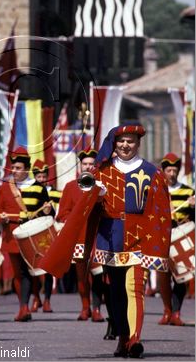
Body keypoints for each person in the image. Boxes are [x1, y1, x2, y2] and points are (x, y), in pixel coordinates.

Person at [41, 124, 171, 359]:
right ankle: (123, 336)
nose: (125, 145)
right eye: (121, 141)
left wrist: (158, 248)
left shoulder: (152, 173)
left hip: (139, 239)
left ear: (138, 143)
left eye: (130, 141)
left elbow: (160, 211)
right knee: (116, 292)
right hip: (109, 238)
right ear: (115, 143)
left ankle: (134, 340)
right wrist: (94, 196)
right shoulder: (101, 172)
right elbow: (86, 206)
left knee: (135, 289)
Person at [0, 147, 53, 321]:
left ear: (27, 169)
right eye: (13, 168)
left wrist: (48, 210)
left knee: (29, 271)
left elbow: (48, 213)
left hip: (31, 237)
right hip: (11, 236)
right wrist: (2, 218)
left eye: (19, 168)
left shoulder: (38, 188)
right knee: (18, 272)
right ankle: (23, 307)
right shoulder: (5, 187)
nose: (14, 171)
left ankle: (26, 307)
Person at [56, 150, 105, 323]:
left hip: (98, 236)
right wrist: (75, 218)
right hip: (79, 238)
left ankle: (97, 308)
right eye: (85, 164)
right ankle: (85, 307)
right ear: (80, 166)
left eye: (91, 164)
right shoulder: (70, 186)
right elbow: (62, 213)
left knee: (98, 274)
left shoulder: (102, 186)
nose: (88, 166)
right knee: (81, 275)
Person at [157, 152, 195, 326]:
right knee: (163, 275)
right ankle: (167, 310)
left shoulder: (188, 192)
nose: (172, 173)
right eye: (169, 170)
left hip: (180, 237)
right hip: (161, 237)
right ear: (163, 171)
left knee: (181, 274)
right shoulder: (156, 190)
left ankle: (177, 313)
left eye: (175, 170)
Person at [30, 159, 61, 313]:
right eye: (39, 176)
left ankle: (47, 300)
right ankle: (36, 298)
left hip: (49, 232)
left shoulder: (54, 192)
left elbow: (58, 211)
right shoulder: (30, 190)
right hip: (34, 231)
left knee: (47, 268)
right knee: (34, 268)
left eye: (44, 176)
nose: (42, 179)